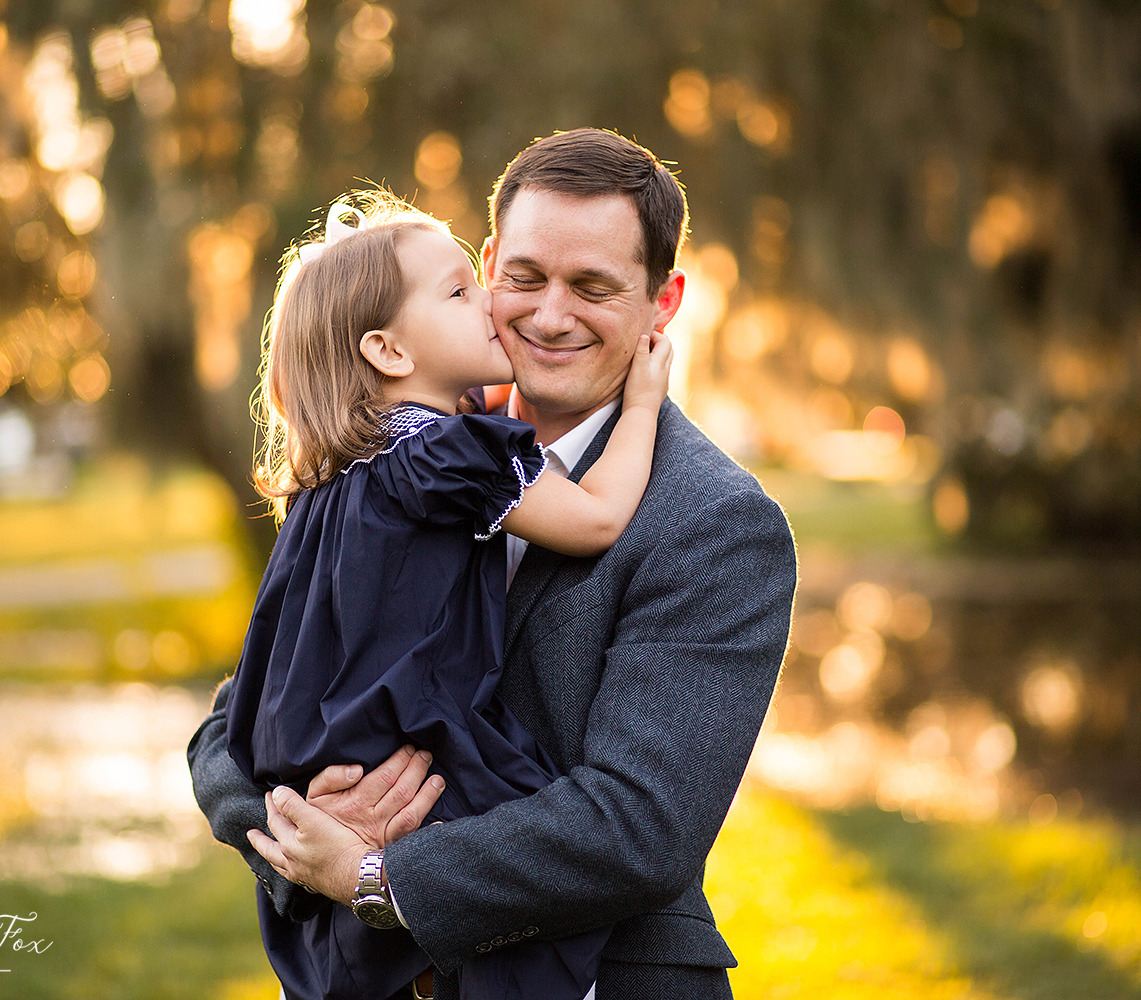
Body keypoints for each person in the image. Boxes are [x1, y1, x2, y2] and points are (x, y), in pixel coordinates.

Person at [188, 129, 797, 1000]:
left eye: (592, 287)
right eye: (524, 277)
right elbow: (232, 721)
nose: (549, 316)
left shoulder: (717, 526)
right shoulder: (382, 460)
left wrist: (372, 877)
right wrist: (299, 836)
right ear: (486, 267)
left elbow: (638, 829)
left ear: (663, 305)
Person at [220, 190, 673, 1000]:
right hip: (420, 745)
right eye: (464, 293)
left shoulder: (335, 475)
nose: (495, 311)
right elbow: (599, 518)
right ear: (390, 352)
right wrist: (643, 405)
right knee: (522, 854)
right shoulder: (449, 457)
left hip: (322, 744)